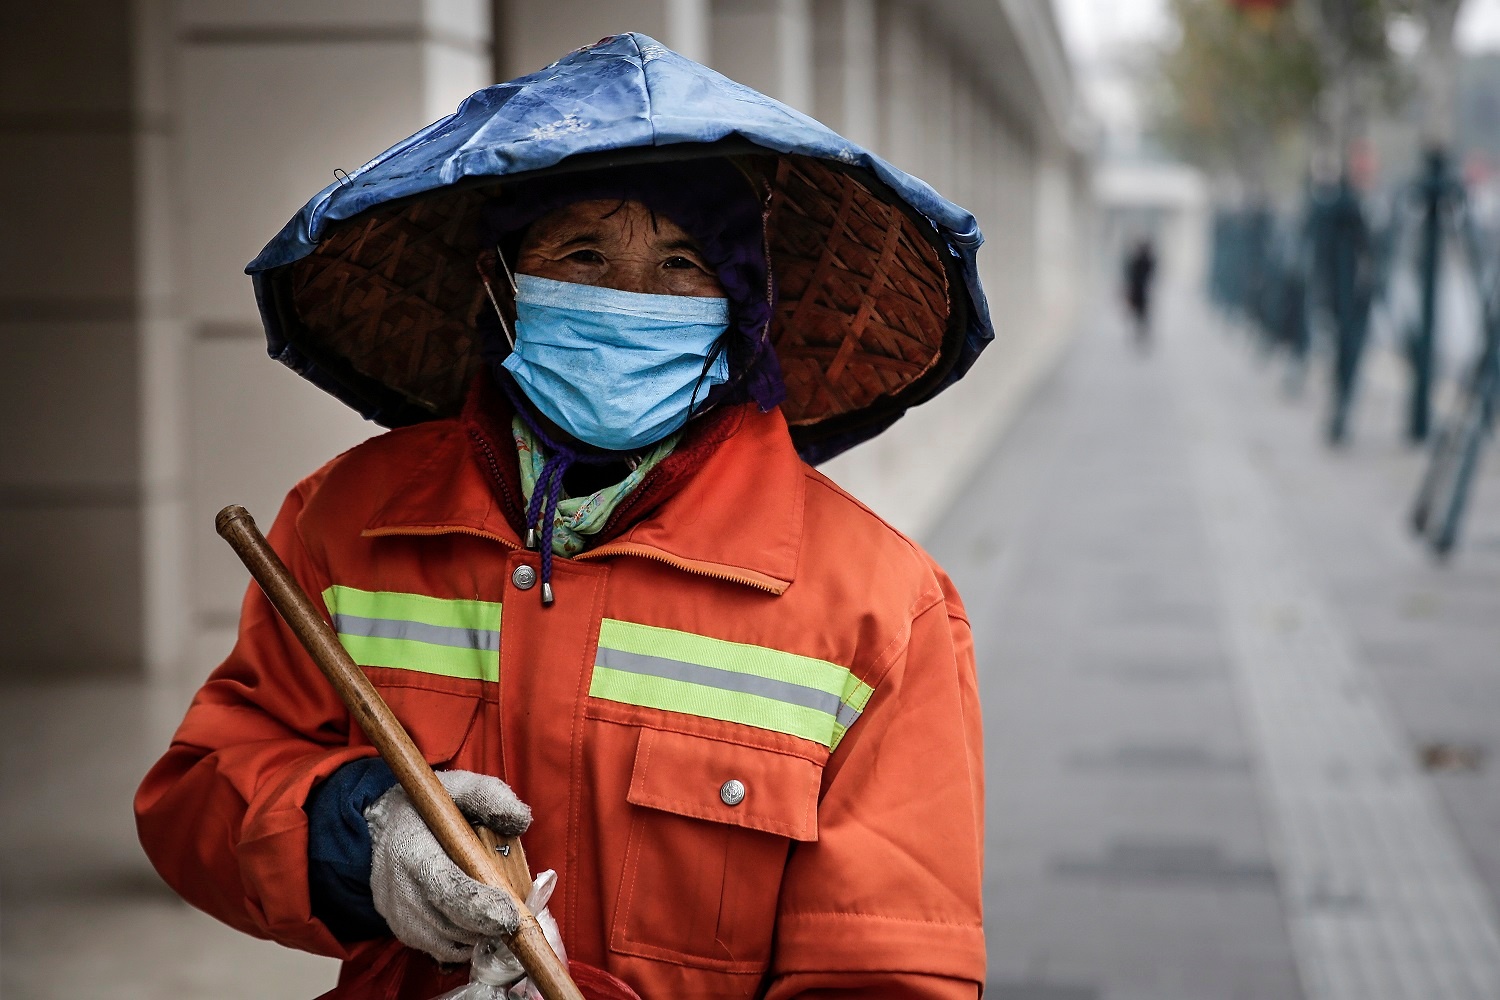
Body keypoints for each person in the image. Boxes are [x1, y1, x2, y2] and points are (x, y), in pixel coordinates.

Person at [136, 34, 989, 1000]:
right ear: (503, 289)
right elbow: (195, 798)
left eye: (682, 264)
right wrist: (359, 835)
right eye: (581, 253)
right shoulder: (345, 521)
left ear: (740, 310)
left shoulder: (882, 607)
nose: (629, 298)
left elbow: (889, 977)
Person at [1123, 237, 1158, 346]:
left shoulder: (1141, 261)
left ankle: (1141, 333)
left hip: (1141, 291)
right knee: (1141, 314)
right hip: (1140, 291)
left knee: (1141, 314)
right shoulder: (1143, 261)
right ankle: (1141, 333)